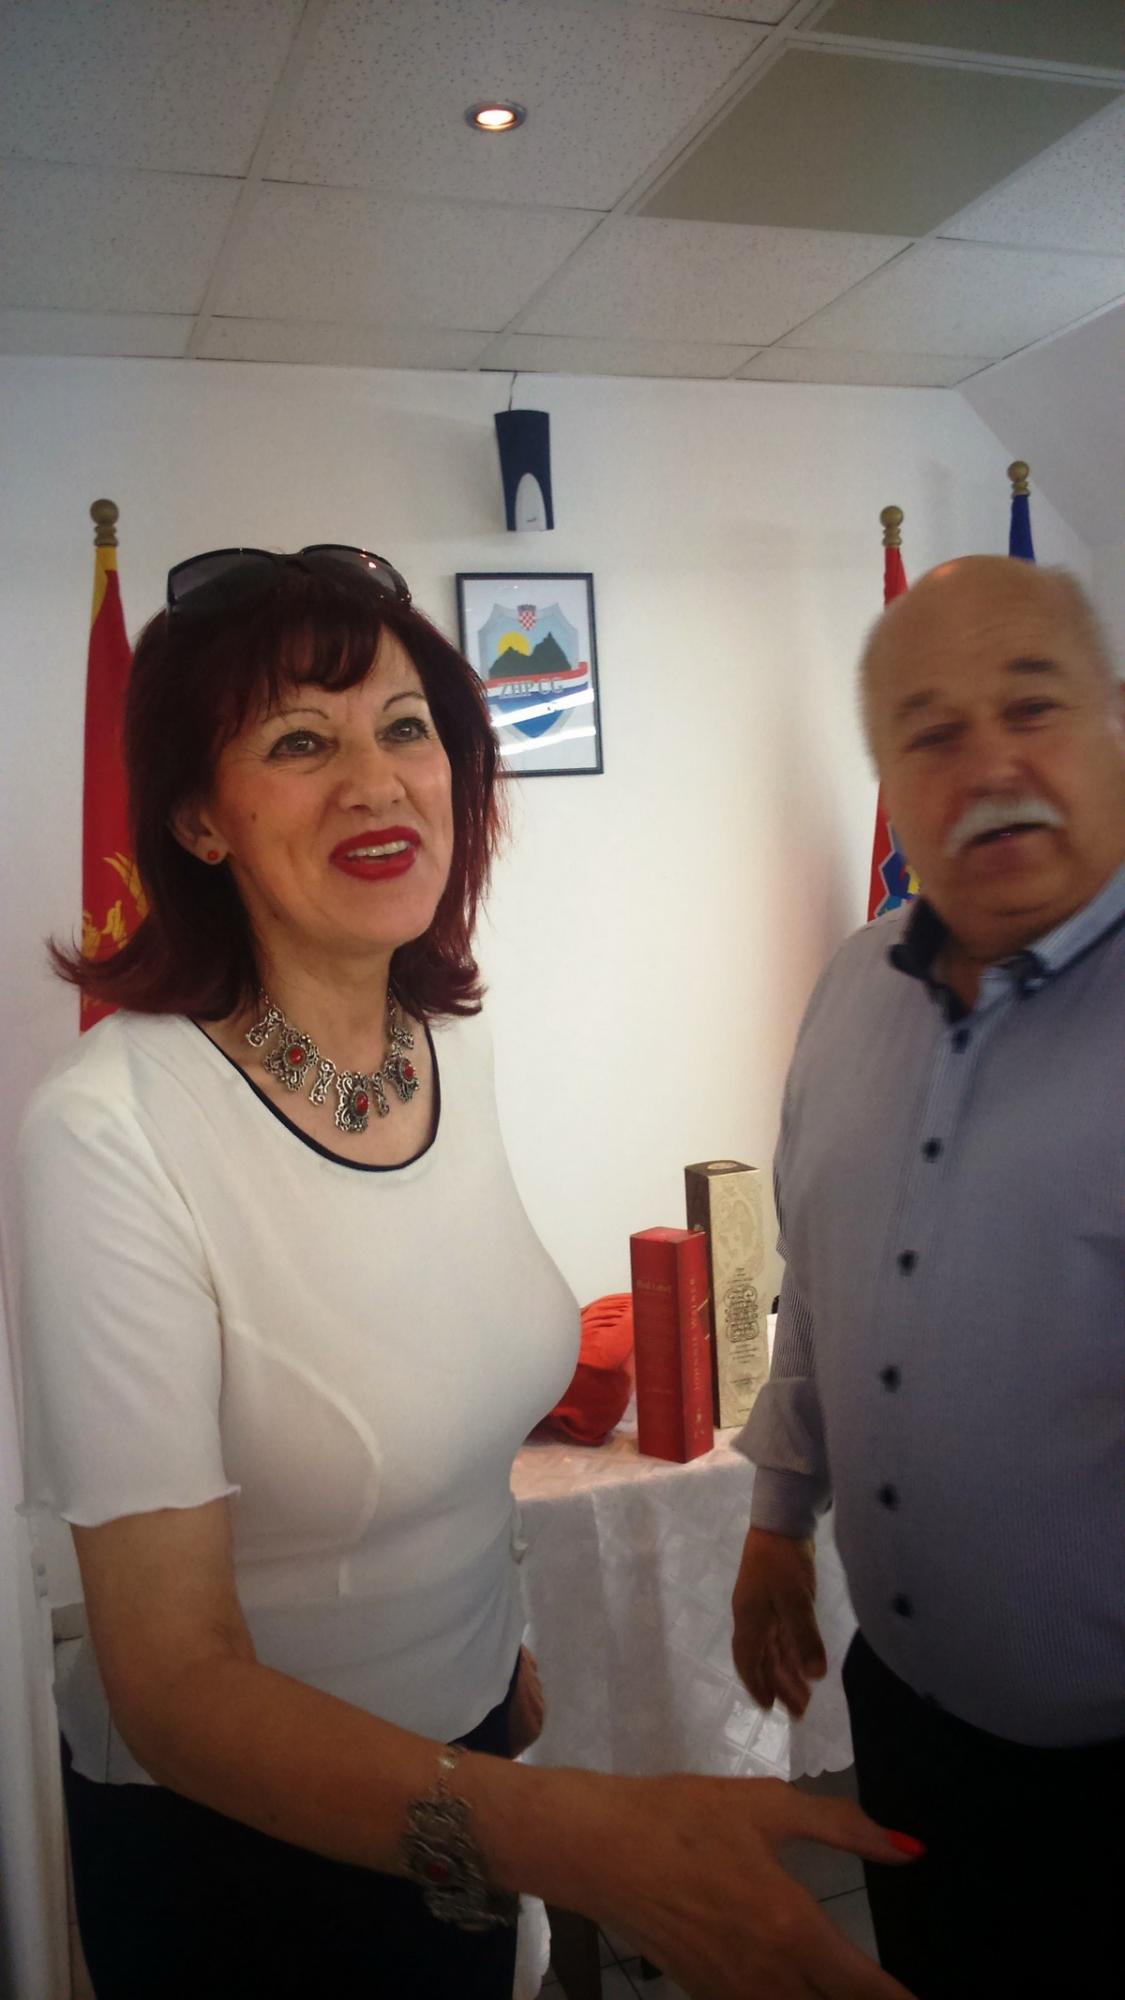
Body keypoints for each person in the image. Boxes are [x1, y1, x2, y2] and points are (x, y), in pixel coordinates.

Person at [17, 546, 920, 2000]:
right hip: (240, 1858)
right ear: (195, 818)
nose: (374, 781)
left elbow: (438, 1397)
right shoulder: (108, 1130)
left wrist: (488, 1667)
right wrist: (588, 1838)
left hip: (466, 1765)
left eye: (405, 726)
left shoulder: (448, 1046)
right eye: (298, 742)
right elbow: (172, 1684)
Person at [731, 556, 1125, 1999]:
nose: (990, 765)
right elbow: (820, 1278)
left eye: (1032, 706)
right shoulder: (849, 990)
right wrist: (778, 1519)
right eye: (932, 732)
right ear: (888, 784)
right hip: (904, 1724)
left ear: (1115, 721)